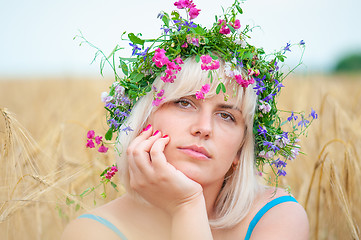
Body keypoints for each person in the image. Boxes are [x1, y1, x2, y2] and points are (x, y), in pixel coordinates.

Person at [62, 1, 312, 239]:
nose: (203, 128)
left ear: (240, 149)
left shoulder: (276, 217)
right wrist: (186, 205)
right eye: (184, 103)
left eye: (226, 116)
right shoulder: (92, 233)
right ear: (143, 119)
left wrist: (186, 206)